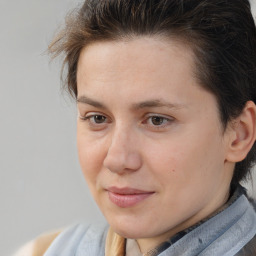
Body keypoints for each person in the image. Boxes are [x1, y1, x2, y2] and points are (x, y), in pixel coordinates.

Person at [15, 0, 256, 255]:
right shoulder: (51, 249)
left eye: (157, 120)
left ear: (239, 135)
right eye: (97, 118)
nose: (117, 160)